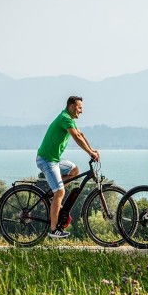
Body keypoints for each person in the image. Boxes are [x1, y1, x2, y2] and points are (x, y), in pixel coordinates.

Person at [36, 96, 100, 238]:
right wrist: (90, 153)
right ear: (72, 107)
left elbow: (80, 134)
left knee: (74, 170)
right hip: (46, 160)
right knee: (60, 192)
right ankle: (53, 230)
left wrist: (92, 150)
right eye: (79, 108)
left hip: (55, 160)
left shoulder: (69, 119)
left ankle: (55, 191)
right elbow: (76, 137)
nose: (81, 111)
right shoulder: (65, 118)